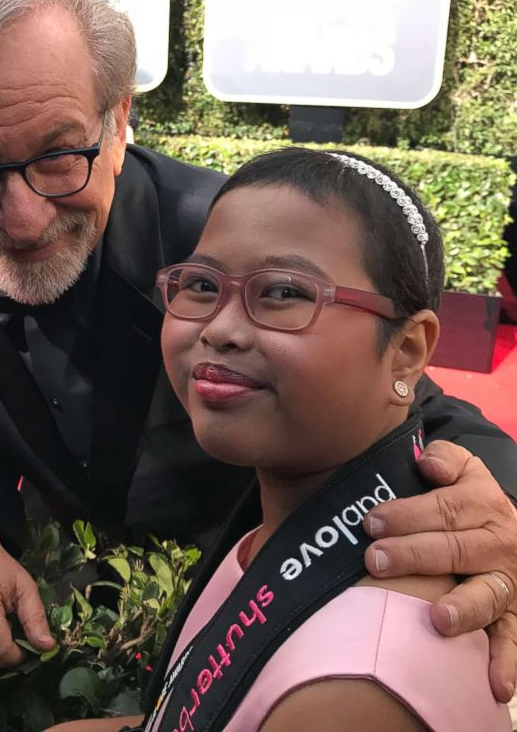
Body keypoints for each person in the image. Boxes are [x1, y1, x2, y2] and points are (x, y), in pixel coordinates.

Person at [0, 0, 517, 697]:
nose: (22, 219)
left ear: (118, 121)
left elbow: (418, 402)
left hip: (243, 620)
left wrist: (501, 515)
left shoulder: (226, 239)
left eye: (59, 154)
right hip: (49, 611)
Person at [47, 148, 511, 732]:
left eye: (285, 293)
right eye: (200, 284)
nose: (219, 328)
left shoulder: (355, 687)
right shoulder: (286, 520)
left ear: (408, 349)